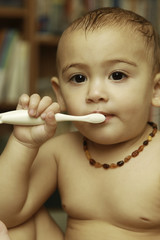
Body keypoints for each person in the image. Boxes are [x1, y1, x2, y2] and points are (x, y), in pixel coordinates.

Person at [0, 6, 160, 240]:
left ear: (155, 90)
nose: (95, 93)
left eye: (117, 75)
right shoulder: (60, 151)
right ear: (60, 94)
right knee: (21, 222)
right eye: (78, 78)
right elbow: (6, 213)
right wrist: (23, 144)